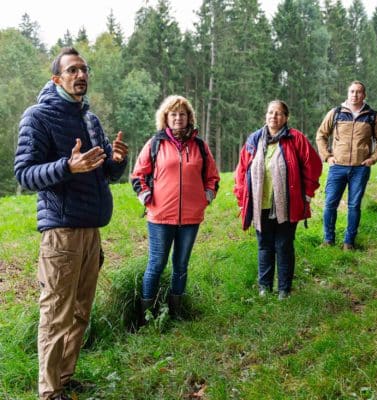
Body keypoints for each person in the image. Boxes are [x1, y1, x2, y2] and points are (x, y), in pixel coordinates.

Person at [13, 47, 129, 400]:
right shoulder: (38, 117)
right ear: (57, 78)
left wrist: (117, 162)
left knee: (80, 313)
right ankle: (49, 391)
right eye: (73, 70)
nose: (81, 75)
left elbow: (104, 172)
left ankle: (63, 379)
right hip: (61, 232)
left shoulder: (90, 120)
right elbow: (24, 174)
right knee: (56, 314)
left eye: (85, 69)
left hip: (91, 230)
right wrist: (67, 166)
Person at [131, 95, 220, 321]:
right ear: (166, 118)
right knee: (156, 264)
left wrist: (206, 197)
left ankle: (175, 312)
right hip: (160, 216)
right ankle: (146, 315)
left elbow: (213, 177)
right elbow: (138, 175)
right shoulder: (155, 144)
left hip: (191, 218)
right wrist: (147, 196)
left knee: (181, 265)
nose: (178, 118)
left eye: (182, 114)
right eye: (174, 114)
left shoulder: (200, 145)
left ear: (189, 117)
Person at [234, 100, 322, 300]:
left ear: (286, 118)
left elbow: (313, 166)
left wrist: (307, 194)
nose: (274, 116)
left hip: (287, 204)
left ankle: (284, 289)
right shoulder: (254, 140)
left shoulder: (295, 139)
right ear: (266, 115)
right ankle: (264, 287)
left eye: (279, 113)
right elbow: (241, 172)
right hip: (260, 204)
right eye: (271, 112)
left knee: (283, 245)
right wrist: (242, 198)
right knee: (264, 245)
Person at [315, 81, 377, 250]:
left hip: (360, 168)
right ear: (348, 94)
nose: (355, 95)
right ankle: (328, 240)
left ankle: (349, 242)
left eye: (359, 92)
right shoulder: (336, 113)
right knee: (329, 204)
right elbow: (321, 135)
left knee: (354, 205)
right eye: (352, 92)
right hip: (337, 166)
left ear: (364, 95)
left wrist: (373, 158)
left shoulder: (372, 116)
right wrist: (327, 156)